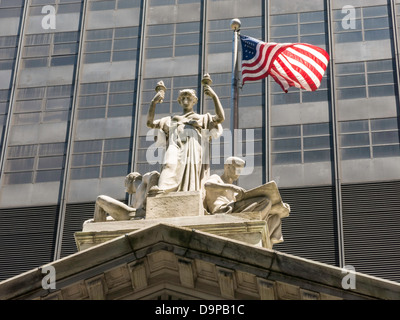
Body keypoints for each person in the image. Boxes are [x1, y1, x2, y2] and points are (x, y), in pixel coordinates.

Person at [147, 81, 225, 193]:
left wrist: (214, 96)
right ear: (179, 101)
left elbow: (220, 118)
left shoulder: (202, 118)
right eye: (182, 98)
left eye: (188, 98)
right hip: (174, 145)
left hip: (192, 148)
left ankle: (189, 192)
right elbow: (150, 123)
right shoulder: (171, 119)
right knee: (169, 163)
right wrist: (153, 102)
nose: (185, 101)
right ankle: (162, 190)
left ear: (194, 101)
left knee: (191, 171)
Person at [204, 156, 290, 245]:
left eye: (240, 171)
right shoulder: (217, 178)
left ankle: (266, 241)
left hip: (234, 209)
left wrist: (279, 206)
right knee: (265, 201)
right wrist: (232, 187)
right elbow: (207, 185)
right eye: (236, 169)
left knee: (275, 217)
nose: (238, 173)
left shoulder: (234, 193)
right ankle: (253, 226)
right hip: (223, 210)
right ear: (227, 167)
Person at [92, 171, 159, 222]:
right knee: (100, 203)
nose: (125, 189)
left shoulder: (143, 183)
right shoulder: (134, 200)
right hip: (130, 214)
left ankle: (96, 225)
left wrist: (148, 198)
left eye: (125, 184)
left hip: (133, 214)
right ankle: (97, 222)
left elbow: (154, 175)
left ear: (130, 180)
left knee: (100, 199)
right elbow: (118, 213)